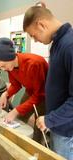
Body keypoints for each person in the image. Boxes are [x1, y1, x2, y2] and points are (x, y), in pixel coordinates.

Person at [23, 3, 73, 159]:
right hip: (58, 125)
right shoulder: (57, 44)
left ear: (41, 24)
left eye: (33, 35)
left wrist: (50, 119)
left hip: (67, 131)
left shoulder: (69, 45)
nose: (35, 40)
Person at [0, 37, 48, 143]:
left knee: (38, 124)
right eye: (0, 67)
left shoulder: (33, 64)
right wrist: (6, 94)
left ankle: (34, 147)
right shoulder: (10, 66)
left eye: (3, 66)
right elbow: (16, 85)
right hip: (30, 91)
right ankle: (19, 142)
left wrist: (16, 110)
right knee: (19, 118)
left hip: (44, 95)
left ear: (10, 57)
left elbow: (39, 95)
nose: (3, 69)